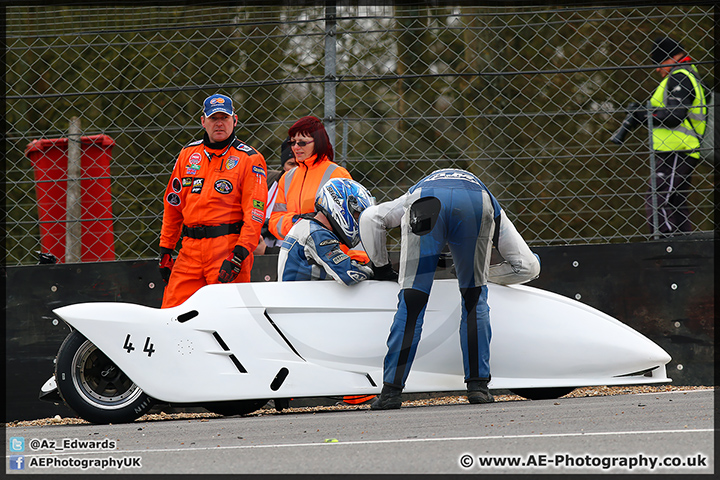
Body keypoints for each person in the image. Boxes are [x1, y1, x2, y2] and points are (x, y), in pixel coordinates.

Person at [359, 168, 541, 409]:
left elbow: (370, 218)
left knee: (412, 303)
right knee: (474, 299)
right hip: (476, 201)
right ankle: (478, 388)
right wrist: (472, 273)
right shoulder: (492, 203)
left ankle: (391, 392)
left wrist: (381, 268)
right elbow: (528, 267)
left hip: (425, 200)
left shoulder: (412, 194)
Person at [158, 93, 268, 308]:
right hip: (188, 251)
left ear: (234, 121)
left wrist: (240, 254)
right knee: (172, 314)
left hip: (227, 248)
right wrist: (165, 248)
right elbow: (173, 205)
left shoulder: (249, 158)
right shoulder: (188, 155)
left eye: (224, 118)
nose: (219, 124)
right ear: (203, 121)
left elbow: (255, 213)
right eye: (213, 118)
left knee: (228, 318)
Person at [616, 36, 707, 234]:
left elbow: (675, 115)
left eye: (659, 62)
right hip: (678, 150)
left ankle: (669, 248)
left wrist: (642, 114)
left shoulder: (679, 77)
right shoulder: (686, 74)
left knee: (657, 201)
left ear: (671, 58)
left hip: (678, 149)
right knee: (675, 205)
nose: (657, 69)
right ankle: (686, 255)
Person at [268, 116, 369, 263]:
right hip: (295, 255)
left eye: (302, 142)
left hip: (332, 258)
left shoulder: (337, 174)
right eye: (293, 142)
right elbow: (274, 222)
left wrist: (358, 261)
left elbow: (354, 223)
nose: (296, 147)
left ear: (318, 143)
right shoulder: (287, 178)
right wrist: (299, 222)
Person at [277, 178, 374, 285]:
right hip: (301, 298)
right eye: (356, 216)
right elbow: (347, 274)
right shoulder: (317, 233)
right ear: (340, 205)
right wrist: (374, 273)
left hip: (297, 294)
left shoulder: (307, 225)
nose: (358, 222)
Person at [255, 138, 297, 255]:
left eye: (300, 164)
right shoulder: (267, 183)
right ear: (283, 165)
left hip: (292, 259)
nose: (295, 170)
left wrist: (267, 251)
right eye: (291, 164)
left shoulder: (312, 190)